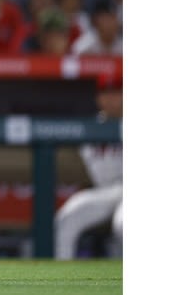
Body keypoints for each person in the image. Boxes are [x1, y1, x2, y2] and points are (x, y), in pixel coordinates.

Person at [55, 73, 122, 260]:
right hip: (104, 191)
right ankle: (60, 282)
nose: (111, 100)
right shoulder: (91, 127)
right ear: (98, 98)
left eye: (117, 94)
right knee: (66, 219)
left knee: (123, 225)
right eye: (106, 94)